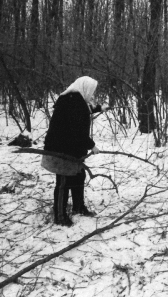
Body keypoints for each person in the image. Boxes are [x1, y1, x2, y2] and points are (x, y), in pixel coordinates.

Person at [43, 76, 108, 226]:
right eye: (91, 91)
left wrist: (99, 108)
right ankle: (59, 216)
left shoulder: (75, 99)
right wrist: (91, 145)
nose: (91, 94)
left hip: (72, 148)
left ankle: (78, 207)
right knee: (63, 182)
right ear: (84, 88)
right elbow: (76, 129)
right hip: (61, 149)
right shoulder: (71, 101)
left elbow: (82, 112)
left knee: (78, 176)